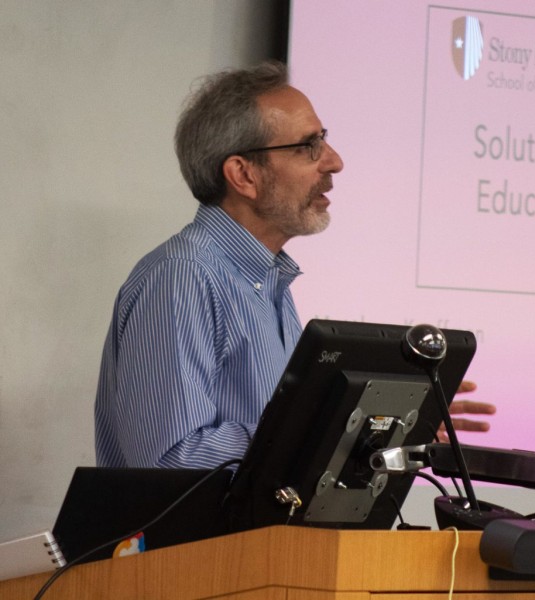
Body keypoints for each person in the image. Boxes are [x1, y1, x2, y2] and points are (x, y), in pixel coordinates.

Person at [95, 61, 495, 469]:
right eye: (309, 147)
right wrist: (321, 426)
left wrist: (381, 434)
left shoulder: (269, 283)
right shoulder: (182, 278)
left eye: (324, 141)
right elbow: (168, 462)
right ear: (243, 175)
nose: (335, 162)